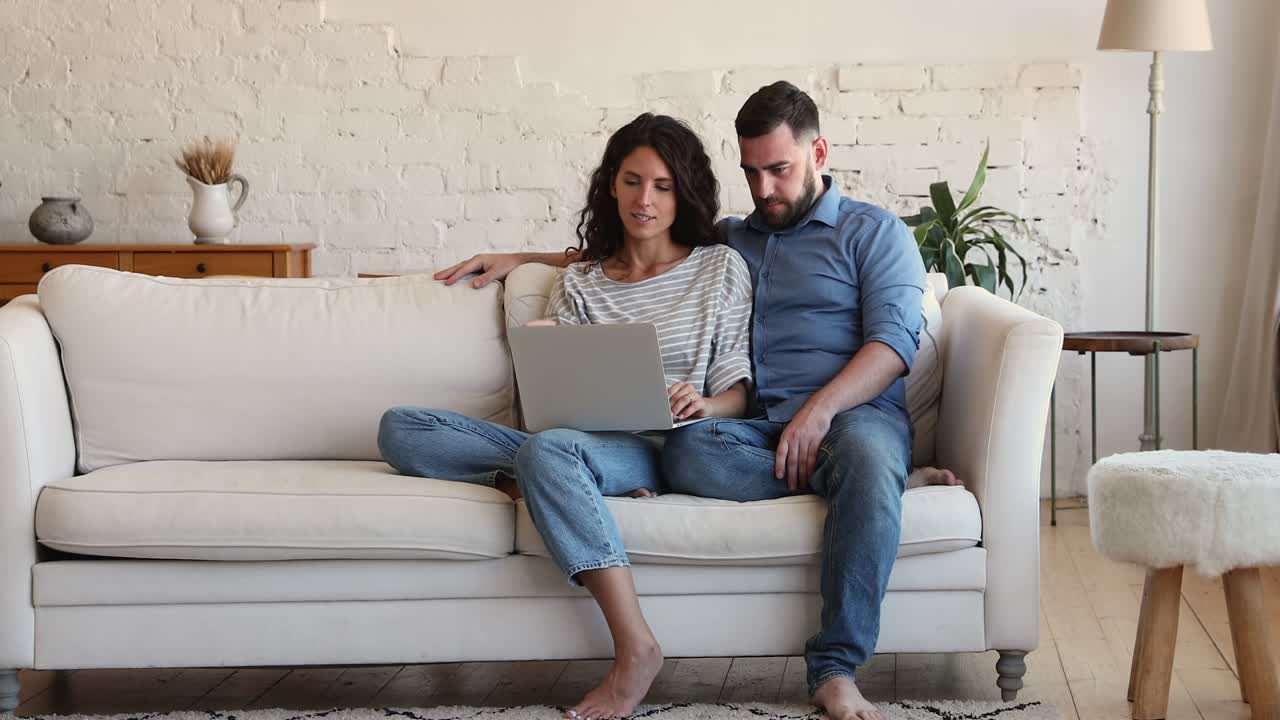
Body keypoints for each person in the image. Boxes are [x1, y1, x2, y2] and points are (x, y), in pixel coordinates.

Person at [434, 81, 943, 720]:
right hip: (751, 434)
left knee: (866, 458)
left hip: (853, 416)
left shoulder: (874, 232)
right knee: (688, 455)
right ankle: (873, 488)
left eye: (779, 170)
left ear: (819, 153)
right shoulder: (736, 239)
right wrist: (523, 259)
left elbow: (895, 344)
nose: (764, 191)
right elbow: (639, 244)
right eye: (751, 173)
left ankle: (836, 667)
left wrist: (820, 411)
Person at [380, 113, 756, 720]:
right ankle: (545, 485)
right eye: (632, 181)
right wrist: (547, 350)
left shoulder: (718, 269)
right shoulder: (580, 282)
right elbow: (553, 407)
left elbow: (738, 390)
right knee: (402, 428)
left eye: (662, 186)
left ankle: (636, 647)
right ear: (611, 184)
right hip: (578, 440)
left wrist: (706, 403)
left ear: (682, 192)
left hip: (665, 445)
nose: (645, 200)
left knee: (547, 453)